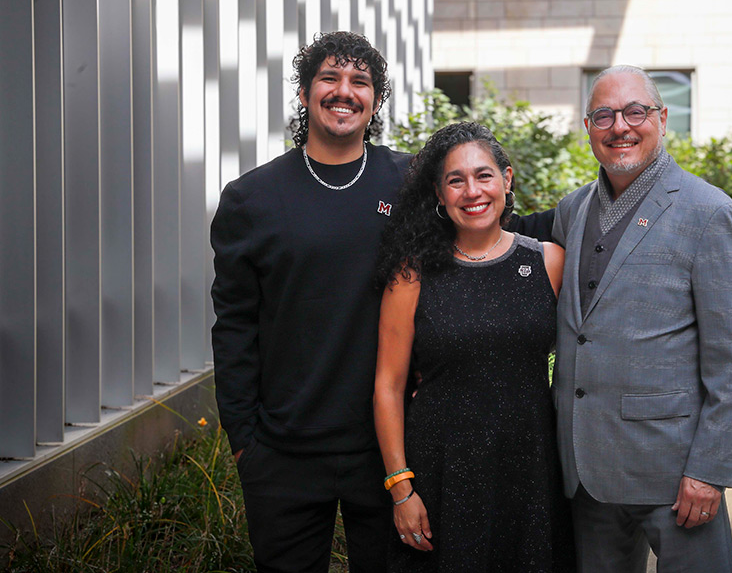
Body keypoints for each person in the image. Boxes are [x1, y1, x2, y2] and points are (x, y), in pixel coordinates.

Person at [210, 32, 552, 573]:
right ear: (304, 93)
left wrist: (594, 211)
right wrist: (243, 442)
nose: (344, 92)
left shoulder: (410, 180)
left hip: (390, 449)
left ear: (374, 99)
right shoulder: (251, 199)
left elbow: (483, 226)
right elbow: (232, 326)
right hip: (284, 451)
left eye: (360, 82)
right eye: (329, 78)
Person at [551, 65, 732, 573]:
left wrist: (710, 471)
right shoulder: (571, 211)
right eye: (603, 115)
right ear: (588, 128)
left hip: (676, 476)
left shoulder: (710, 214)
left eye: (635, 112)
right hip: (587, 471)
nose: (619, 126)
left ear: (662, 119)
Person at [372, 122, 576, 572]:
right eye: (455, 180)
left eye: (483, 175)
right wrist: (401, 489)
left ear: (506, 180)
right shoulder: (413, 274)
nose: (472, 191)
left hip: (531, 472)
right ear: (440, 196)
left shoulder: (548, 262)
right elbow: (388, 385)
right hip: (441, 470)